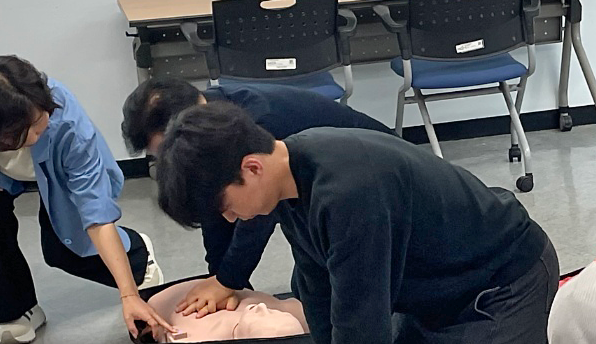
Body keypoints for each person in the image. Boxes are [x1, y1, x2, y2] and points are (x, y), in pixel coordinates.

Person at [153, 102, 596, 344]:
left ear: (251, 168)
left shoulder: (348, 188)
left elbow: (366, 320)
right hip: (432, 299)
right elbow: (316, 284)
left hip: (501, 285)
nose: (233, 220)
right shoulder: (291, 179)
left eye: (228, 208)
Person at [0, 57, 171, 344]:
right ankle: (18, 309)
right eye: (29, 129)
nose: (39, 129)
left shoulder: (69, 129)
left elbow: (95, 215)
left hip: (57, 167)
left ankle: (138, 259)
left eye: (40, 119)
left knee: (64, 247)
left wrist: (129, 296)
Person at [121, 77, 393, 317]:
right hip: (321, 187)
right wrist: (219, 276)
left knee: (339, 300)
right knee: (310, 289)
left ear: (186, 123)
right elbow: (216, 207)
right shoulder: (209, 123)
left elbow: (258, 215)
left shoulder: (252, 124)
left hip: (377, 176)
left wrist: (228, 281)